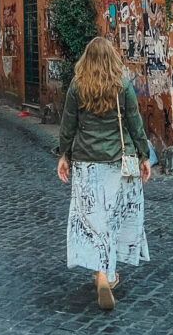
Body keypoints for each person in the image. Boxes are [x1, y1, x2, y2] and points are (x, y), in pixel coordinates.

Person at [57, 36, 151, 311]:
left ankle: (101, 270)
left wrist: (64, 154)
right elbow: (135, 123)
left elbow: (68, 125)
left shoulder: (77, 86)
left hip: (86, 162)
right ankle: (106, 274)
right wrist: (144, 156)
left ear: (86, 59)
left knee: (93, 219)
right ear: (112, 58)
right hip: (121, 162)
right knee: (116, 217)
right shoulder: (122, 85)